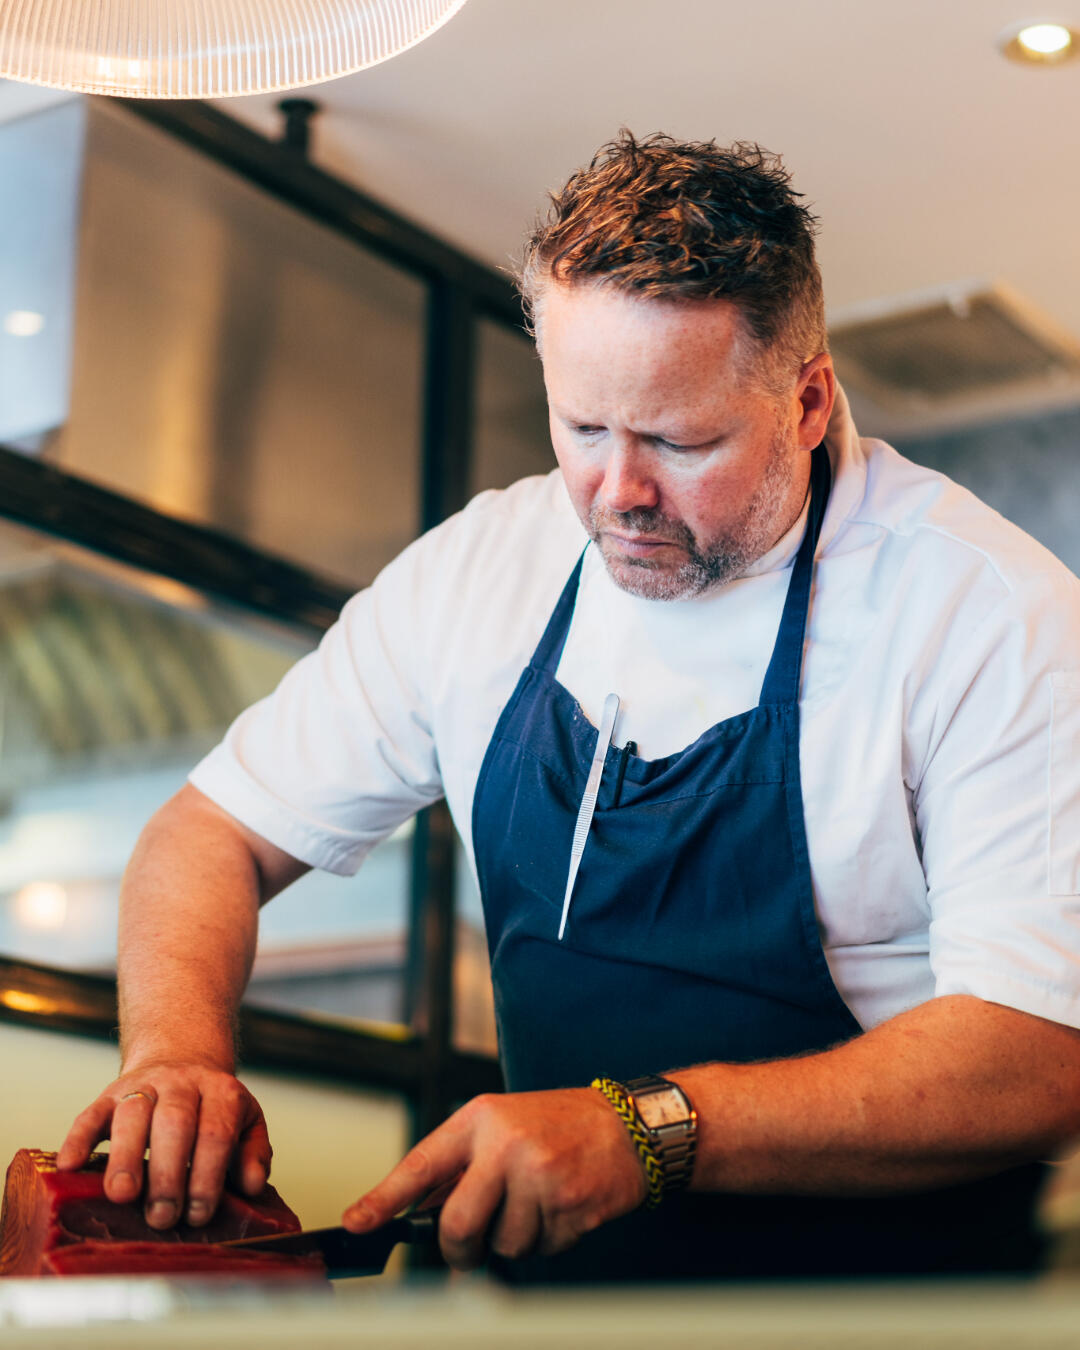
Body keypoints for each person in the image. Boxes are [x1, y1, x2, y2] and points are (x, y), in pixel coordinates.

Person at [59, 132, 1080, 1280]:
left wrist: (644, 1130)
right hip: (557, 1303)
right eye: (583, 430)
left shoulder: (986, 614)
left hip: (896, 1309)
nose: (619, 493)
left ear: (805, 401)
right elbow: (211, 832)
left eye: (680, 440)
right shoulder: (480, 574)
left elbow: (1039, 1057)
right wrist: (176, 1055)